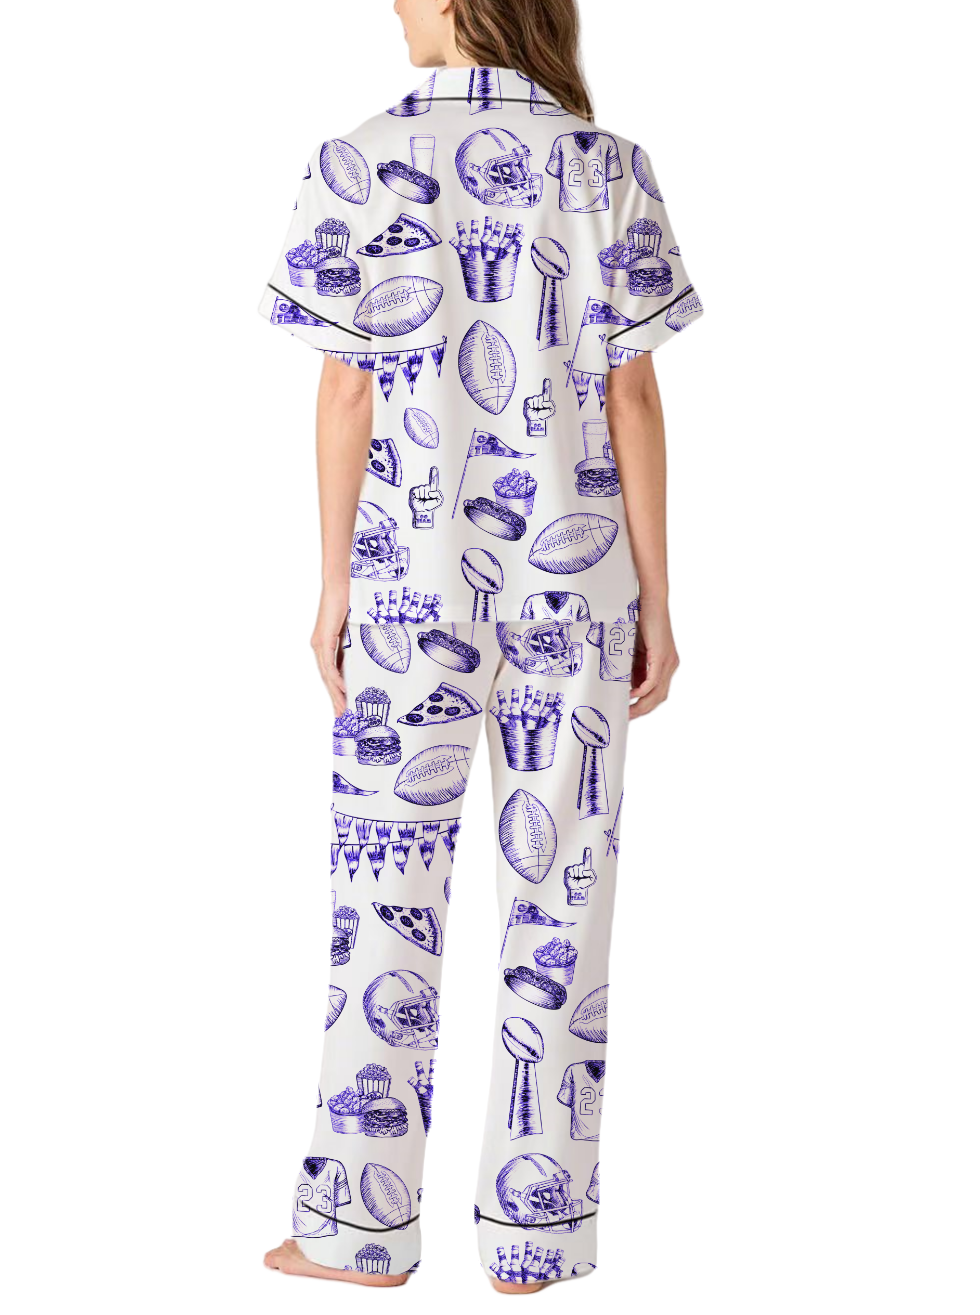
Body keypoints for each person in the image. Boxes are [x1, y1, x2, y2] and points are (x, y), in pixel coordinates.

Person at [259, 0, 703, 1292]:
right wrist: (656, 599)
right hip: (574, 598)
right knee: (563, 905)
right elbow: (632, 394)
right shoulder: (606, 167)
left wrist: (334, 586)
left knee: (379, 908)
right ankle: (533, 1237)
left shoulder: (356, 159)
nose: (388, 5)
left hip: (409, 591)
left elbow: (347, 387)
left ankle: (355, 1232)